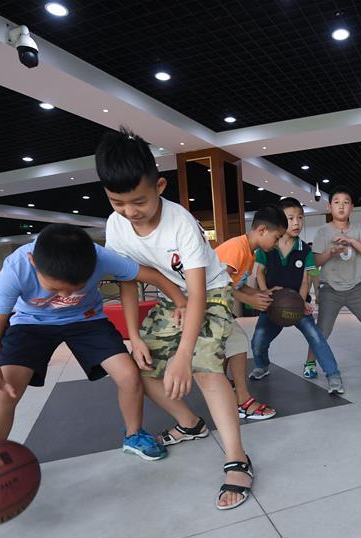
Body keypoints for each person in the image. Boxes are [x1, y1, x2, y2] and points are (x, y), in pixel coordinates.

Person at [98, 126, 255, 510]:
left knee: (203, 366)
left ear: (160, 186)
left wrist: (185, 354)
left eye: (139, 201)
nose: (130, 211)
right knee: (141, 367)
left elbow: (199, 292)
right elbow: (129, 282)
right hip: (172, 297)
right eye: (118, 202)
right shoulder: (115, 225)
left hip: (211, 292)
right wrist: (133, 335)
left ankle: (238, 457)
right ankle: (190, 423)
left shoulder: (179, 222)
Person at [0, 224, 183, 462]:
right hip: (31, 324)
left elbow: (152, 276)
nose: (64, 297)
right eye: (55, 288)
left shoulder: (99, 256)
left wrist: (182, 303)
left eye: (74, 289)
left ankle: (134, 435)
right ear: (33, 262)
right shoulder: (16, 268)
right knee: (3, 390)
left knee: (129, 375)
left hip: (87, 320)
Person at [250, 197, 344, 394]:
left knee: (316, 337)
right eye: (291, 218)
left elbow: (306, 279)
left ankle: (333, 375)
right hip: (272, 305)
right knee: (258, 340)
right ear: (280, 221)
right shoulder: (268, 246)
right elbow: (259, 273)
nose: (296, 223)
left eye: (300, 218)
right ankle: (262, 366)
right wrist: (265, 293)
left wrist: (302, 302)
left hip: (298, 304)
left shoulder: (305, 250)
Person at [214, 205, 286, 421]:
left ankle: (229, 390)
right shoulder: (236, 248)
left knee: (234, 344)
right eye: (277, 237)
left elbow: (238, 285)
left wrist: (262, 293)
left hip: (218, 307)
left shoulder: (250, 254)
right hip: (203, 306)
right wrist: (249, 299)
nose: (277, 244)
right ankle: (242, 401)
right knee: (236, 342)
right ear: (262, 230)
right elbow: (218, 285)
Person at [308, 185, 361, 376]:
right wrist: (332, 251)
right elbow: (315, 261)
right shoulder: (323, 232)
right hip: (330, 289)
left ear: (352, 207)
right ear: (329, 207)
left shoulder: (359, 229)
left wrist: (351, 241)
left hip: (356, 289)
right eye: (336, 203)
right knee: (322, 332)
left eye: (346, 203)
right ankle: (310, 363)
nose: (341, 207)